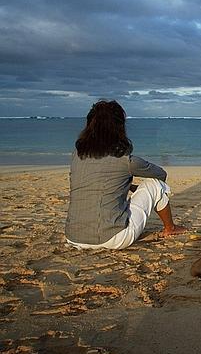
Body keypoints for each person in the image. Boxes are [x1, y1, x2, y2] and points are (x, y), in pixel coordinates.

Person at [65, 100, 187, 249]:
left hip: (73, 237)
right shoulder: (125, 160)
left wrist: (124, 184)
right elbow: (161, 175)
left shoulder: (77, 155)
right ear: (119, 127)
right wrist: (135, 187)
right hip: (112, 238)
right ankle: (170, 228)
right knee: (156, 185)